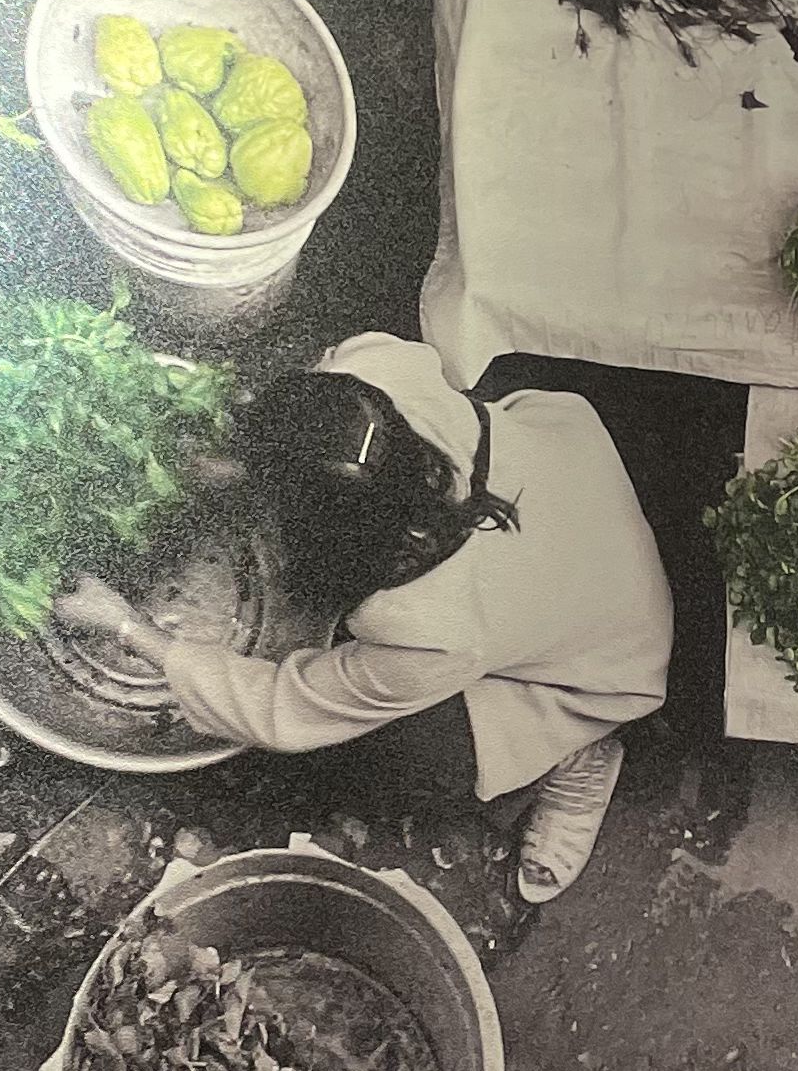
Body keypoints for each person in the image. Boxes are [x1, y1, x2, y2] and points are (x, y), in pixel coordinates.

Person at [64, 334, 673, 903]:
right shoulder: (369, 381)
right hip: (570, 489)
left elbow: (285, 706)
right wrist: (223, 457)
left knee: (397, 759)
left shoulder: (437, 634)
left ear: (331, 539)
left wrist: (127, 626)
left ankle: (574, 753)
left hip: (603, 658)